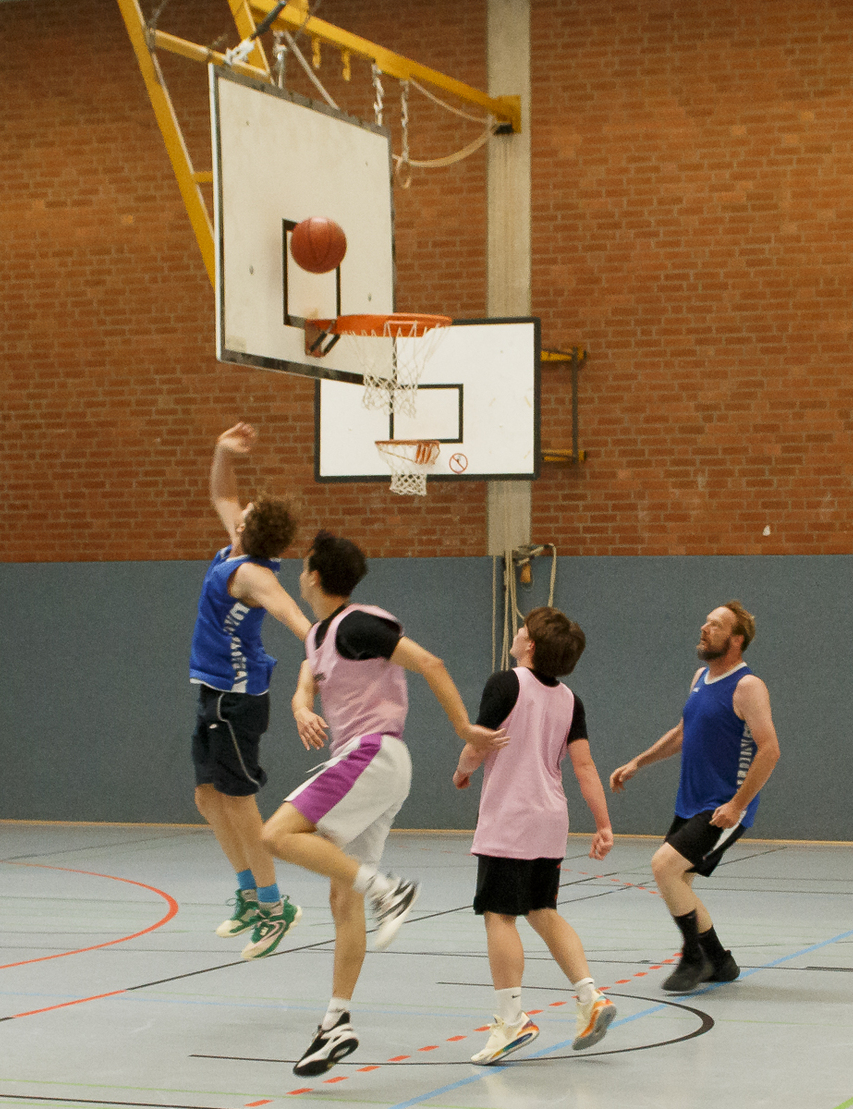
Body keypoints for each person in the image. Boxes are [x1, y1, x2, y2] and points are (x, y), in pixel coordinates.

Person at [259, 530, 508, 1078]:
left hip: (371, 755)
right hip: (377, 768)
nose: (299, 575)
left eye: (303, 567)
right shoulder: (322, 634)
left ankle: (390, 890)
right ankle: (336, 1022)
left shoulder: (358, 625)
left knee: (274, 835)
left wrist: (464, 727)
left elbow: (431, 663)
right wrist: (301, 707)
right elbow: (306, 679)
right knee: (342, 894)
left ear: (314, 576)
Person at [452, 606, 616, 1066]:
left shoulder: (505, 684)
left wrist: (462, 771)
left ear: (531, 645)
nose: (518, 630)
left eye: (523, 628)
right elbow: (584, 766)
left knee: (499, 916)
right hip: (550, 820)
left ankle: (511, 1021)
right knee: (543, 910)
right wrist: (603, 824)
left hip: (511, 818)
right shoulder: (570, 701)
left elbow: (478, 744)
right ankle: (591, 997)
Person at [609, 601, 781, 994]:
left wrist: (737, 805)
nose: (704, 629)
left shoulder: (748, 687)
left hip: (722, 807)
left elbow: (769, 750)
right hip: (691, 801)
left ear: (736, 640)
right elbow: (683, 732)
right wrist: (639, 761)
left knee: (664, 868)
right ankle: (720, 960)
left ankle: (694, 957)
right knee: (679, 881)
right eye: (706, 622)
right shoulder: (701, 677)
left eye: (715, 625)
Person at [189, 422, 313, 960]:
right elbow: (222, 493)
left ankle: (273, 904)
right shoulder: (234, 550)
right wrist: (223, 450)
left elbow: (295, 618)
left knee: (239, 802)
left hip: (237, 699)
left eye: (247, 510)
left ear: (248, 529)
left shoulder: (253, 576)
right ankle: (247, 893)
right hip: (213, 693)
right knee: (207, 796)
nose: (238, 509)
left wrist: (323, 654)